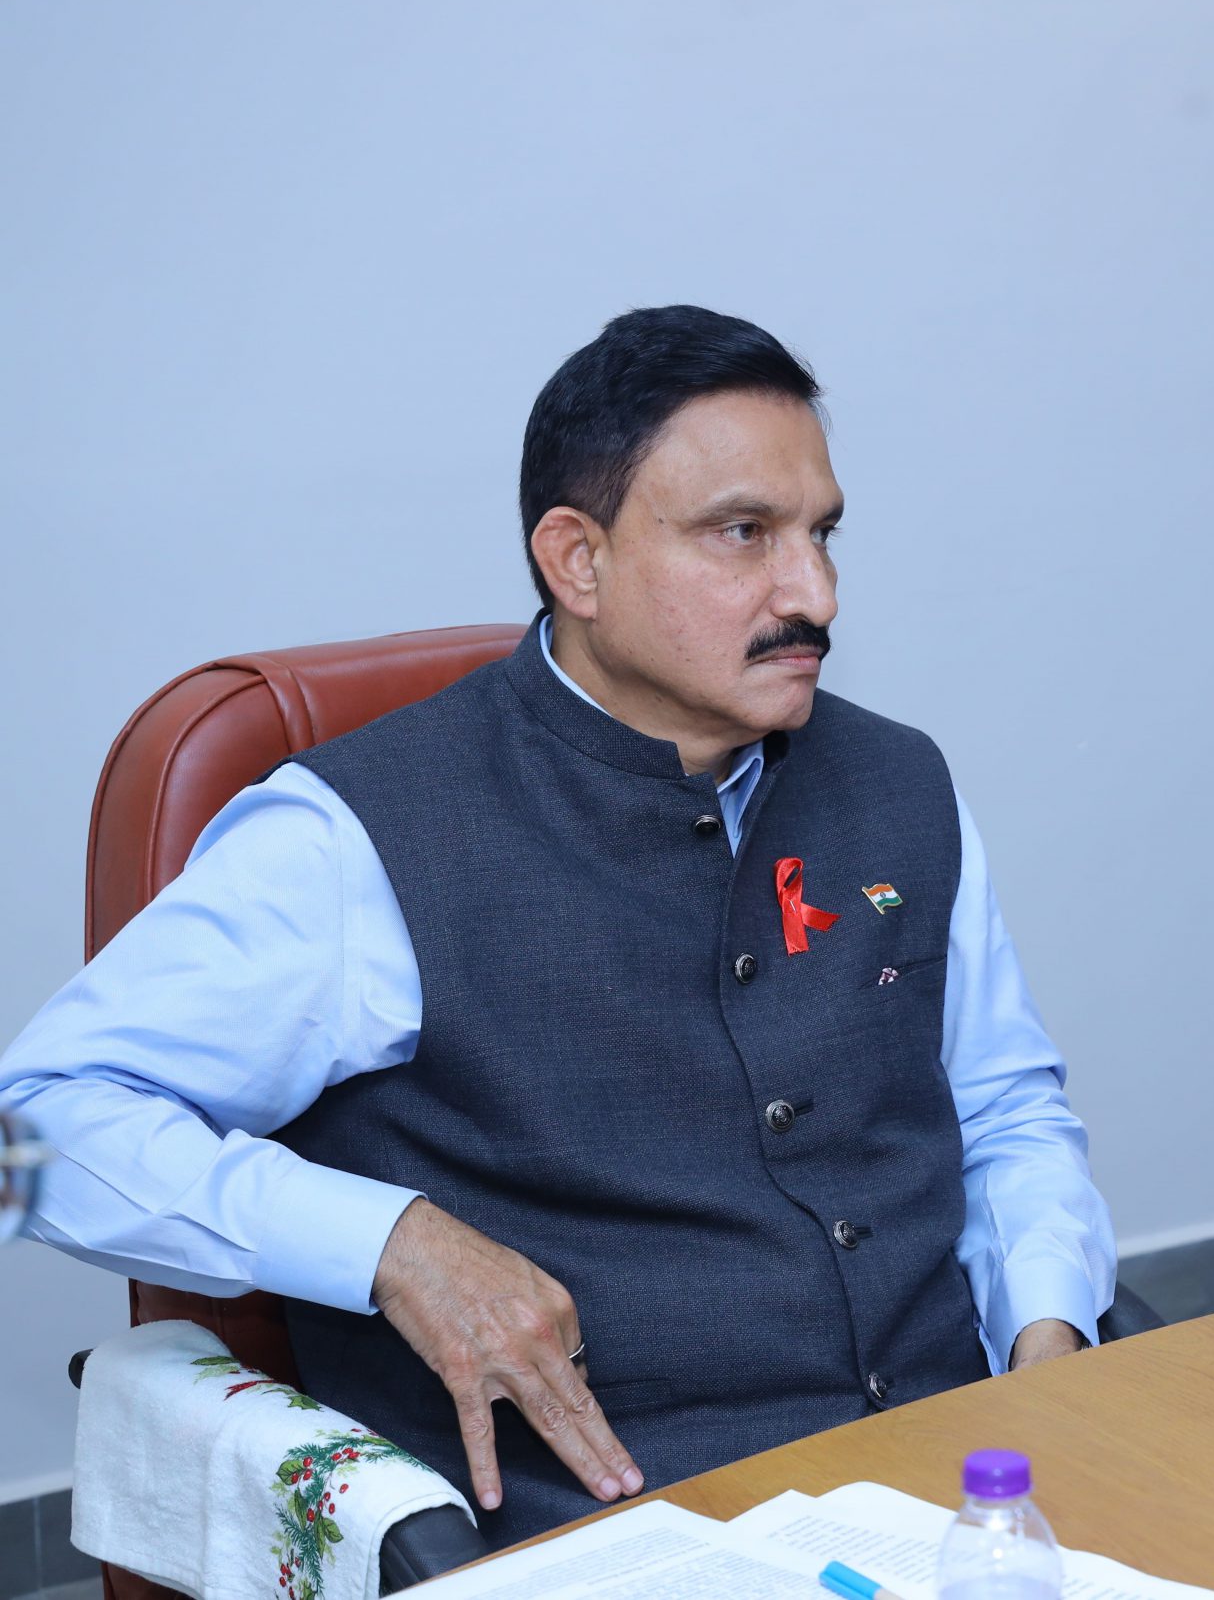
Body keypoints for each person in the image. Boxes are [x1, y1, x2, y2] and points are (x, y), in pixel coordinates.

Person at [0, 306, 1116, 1543]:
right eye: (743, 534)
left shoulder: (900, 780)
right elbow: (37, 1125)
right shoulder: (356, 837)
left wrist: (1048, 1340)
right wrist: (392, 1243)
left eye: (822, 533)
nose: (815, 593)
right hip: (628, 1532)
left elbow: (1002, 1110)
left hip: (968, 1482)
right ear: (577, 561)